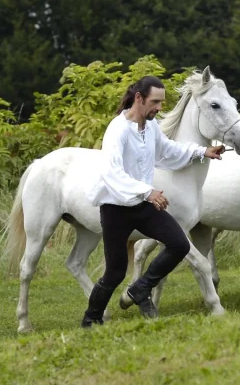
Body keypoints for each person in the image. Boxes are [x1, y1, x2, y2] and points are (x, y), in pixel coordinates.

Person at [82, 76, 225, 327]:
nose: (159, 107)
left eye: (161, 102)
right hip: (116, 209)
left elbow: (167, 151)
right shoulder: (117, 130)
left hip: (143, 207)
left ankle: (140, 288)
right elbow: (112, 173)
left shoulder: (151, 127)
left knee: (179, 245)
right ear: (139, 98)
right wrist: (148, 192)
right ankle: (91, 319)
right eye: (155, 102)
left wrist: (202, 152)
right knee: (115, 272)